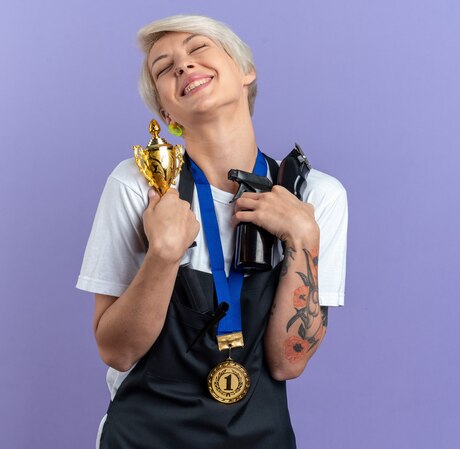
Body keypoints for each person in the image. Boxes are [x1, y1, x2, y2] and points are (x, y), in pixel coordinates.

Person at [77, 14, 348, 449]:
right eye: (163, 68)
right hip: (142, 437)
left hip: (262, 437)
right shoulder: (138, 185)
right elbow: (116, 351)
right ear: (166, 113)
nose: (183, 65)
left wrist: (303, 239)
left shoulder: (315, 196)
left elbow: (287, 363)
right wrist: (163, 254)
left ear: (245, 70)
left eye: (198, 48)